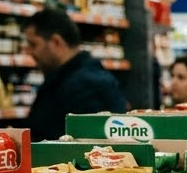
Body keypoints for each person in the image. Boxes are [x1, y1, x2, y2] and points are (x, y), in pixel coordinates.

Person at [25, 8, 127, 141]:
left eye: (33, 44)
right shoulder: (69, 78)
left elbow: (89, 144)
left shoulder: (84, 85)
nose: (30, 52)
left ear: (56, 42)